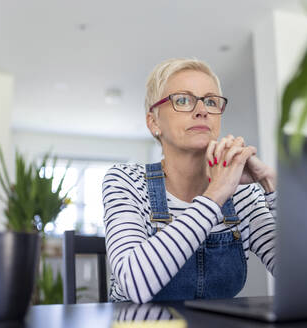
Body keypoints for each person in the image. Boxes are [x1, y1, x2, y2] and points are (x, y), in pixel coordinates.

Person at [102, 58, 276, 303]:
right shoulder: (126, 182)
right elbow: (134, 284)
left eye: (211, 101)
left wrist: (271, 185)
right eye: (183, 100)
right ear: (154, 122)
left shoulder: (243, 194)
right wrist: (216, 194)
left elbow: (304, 278)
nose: (202, 110)